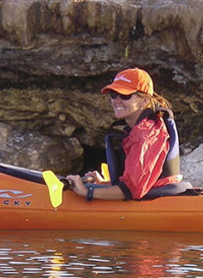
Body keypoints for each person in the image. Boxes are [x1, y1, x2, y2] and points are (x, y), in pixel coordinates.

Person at [67, 67, 189, 201]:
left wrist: (85, 191)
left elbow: (132, 190)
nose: (116, 100)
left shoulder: (145, 134)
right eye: (113, 95)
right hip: (153, 193)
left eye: (125, 95)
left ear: (144, 101)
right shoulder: (143, 127)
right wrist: (103, 184)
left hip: (155, 200)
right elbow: (136, 182)